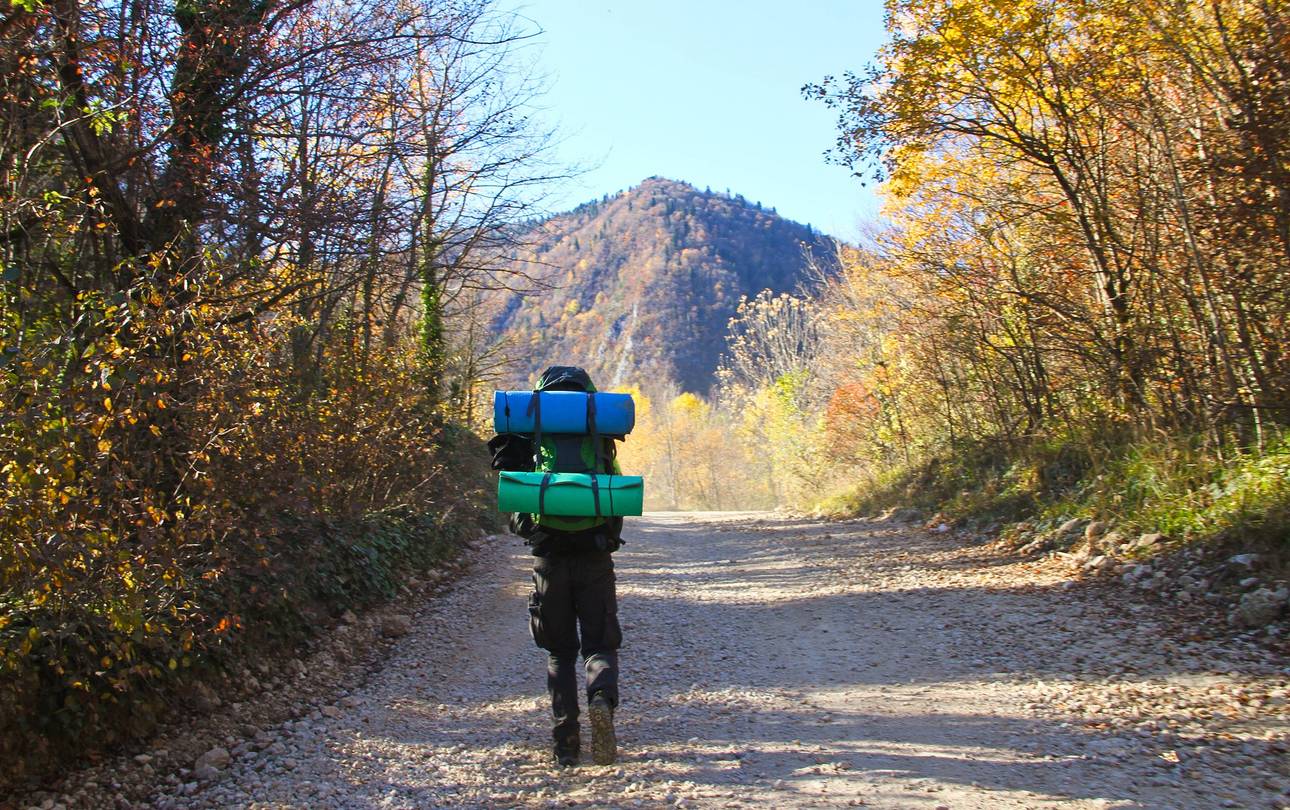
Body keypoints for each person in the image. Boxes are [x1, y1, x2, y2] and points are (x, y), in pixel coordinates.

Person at [491, 365, 625, 767]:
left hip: (548, 556)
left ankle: (565, 742)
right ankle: (601, 699)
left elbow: (514, 495)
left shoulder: (532, 435)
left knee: (559, 652)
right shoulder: (599, 436)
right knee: (599, 644)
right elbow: (615, 493)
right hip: (595, 555)